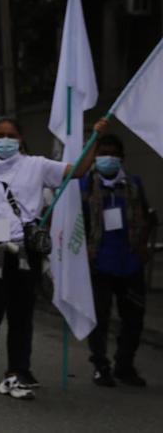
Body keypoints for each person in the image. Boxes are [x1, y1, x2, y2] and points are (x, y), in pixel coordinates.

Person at [0, 116, 106, 401]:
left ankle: (15, 375)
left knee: (21, 316)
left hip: (24, 254)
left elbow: (78, 170)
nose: (5, 139)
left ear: (20, 139)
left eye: (11, 135)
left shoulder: (37, 166)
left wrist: (96, 138)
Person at [80, 134, 156, 387]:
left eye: (113, 154)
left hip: (130, 262)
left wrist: (143, 245)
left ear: (121, 157)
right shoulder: (86, 185)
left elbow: (144, 217)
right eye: (102, 154)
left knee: (133, 318)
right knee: (99, 318)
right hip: (98, 262)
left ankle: (125, 365)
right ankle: (101, 365)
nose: (107, 159)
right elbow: (77, 222)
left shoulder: (134, 185)